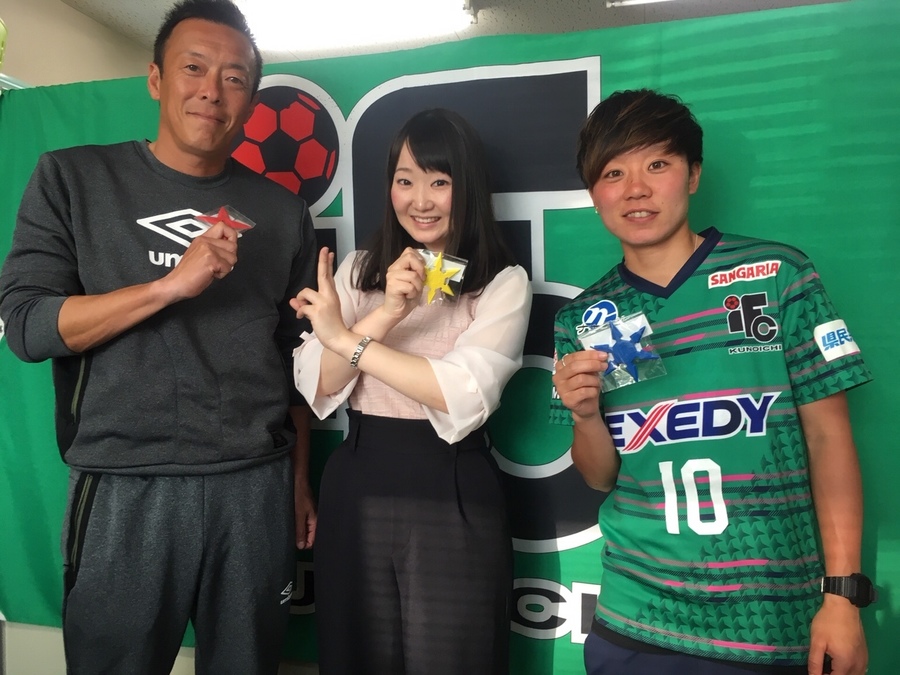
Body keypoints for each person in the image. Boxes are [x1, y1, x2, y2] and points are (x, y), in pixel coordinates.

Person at [0, 1, 317, 673]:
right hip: (126, 484)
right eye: (193, 68)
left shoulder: (284, 213)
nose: (212, 90)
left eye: (234, 78)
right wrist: (168, 287)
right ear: (155, 79)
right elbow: (27, 326)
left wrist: (295, 480)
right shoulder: (72, 179)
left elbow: (296, 361)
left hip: (252, 488)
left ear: (251, 101)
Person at [550, 89, 873, 675]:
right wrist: (585, 414)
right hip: (635, 619)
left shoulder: (778, 276)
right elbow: (600, 476)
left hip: (768, 623)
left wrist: (842, 596)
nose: (636, 189)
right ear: (594, 193)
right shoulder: (583, 318)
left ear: (693, 174)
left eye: (658, 164)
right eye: (614, 173)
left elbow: (829, 439)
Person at [291, 108, 532, 674]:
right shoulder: (358, 271)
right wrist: (386, 314)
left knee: (453, 657)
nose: (420, 200)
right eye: (405, 180)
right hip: (357, 483)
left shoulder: (502, 282)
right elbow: (318, 382)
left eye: (439, 182)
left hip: (452, 485)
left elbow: (461, 392)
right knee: (355, 656)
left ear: (467, 187)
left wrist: (345, 339)